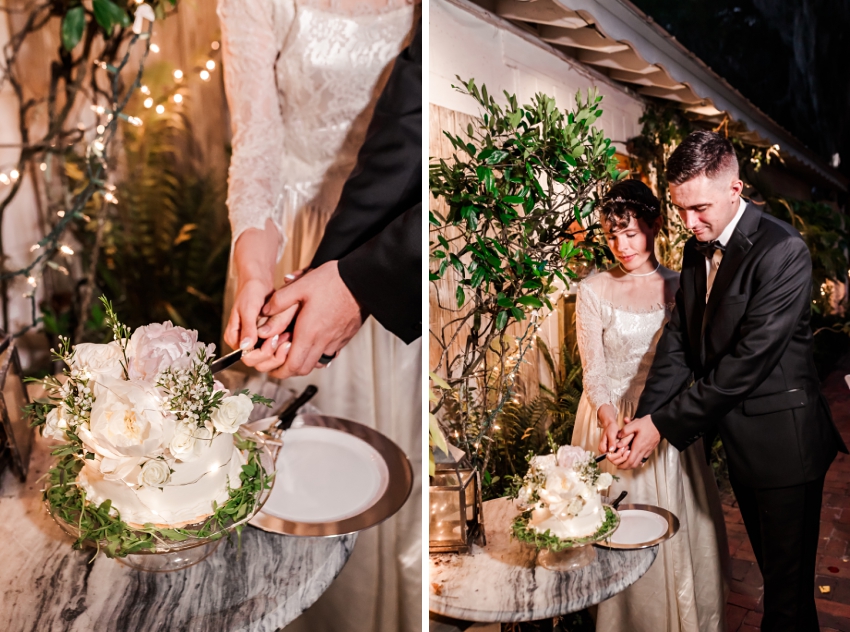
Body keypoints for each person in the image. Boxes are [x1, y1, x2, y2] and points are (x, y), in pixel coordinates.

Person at [217, 2, 421, 631]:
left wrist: (359, 281)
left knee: (383, 472)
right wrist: (254, 268)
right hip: (283, 236)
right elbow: (257, 140)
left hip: (386, 251)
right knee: (276, 481)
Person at [614, 130, 847, 632]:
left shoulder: (783, 251)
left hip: (786, 446)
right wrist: (647, 417)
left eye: (699, 208)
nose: (689, 222)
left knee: (786, 597)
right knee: (772, 574)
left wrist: (664, 427)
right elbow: (681, 340)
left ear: (735, 189)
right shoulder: (699, 251)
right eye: (680, 209)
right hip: (741, 443)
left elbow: (746, 362)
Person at [571, 179, 728, 632]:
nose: (622, 246)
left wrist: (656, 420)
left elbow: (695, 362)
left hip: (665, 420)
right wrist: (607, 418)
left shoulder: (685, 285)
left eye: (631, 233)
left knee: (670, 527)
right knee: (610, 528)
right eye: (612, 235)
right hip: (607, 420)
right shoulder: (593, 289)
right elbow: (594, 371)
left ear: (655, 226)